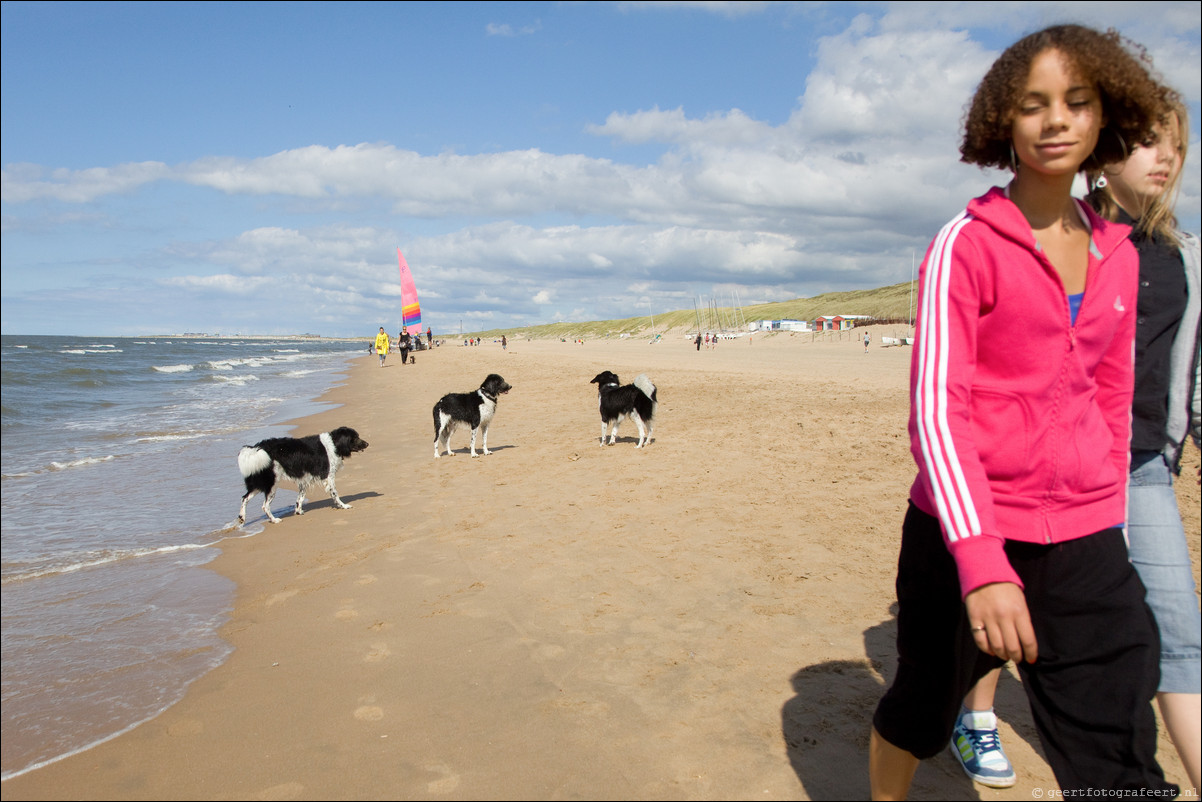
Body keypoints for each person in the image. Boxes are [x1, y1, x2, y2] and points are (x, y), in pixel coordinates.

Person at [869, 25, 1178, 799]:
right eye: (1034, 105)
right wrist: (980, 562)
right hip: (960, 534)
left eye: (1078, 102)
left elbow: (1111, 398)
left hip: (1083, 540)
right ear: (1002, 121)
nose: (1057, 121)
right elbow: (937, 414)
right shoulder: (964, 245)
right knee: (919, 711)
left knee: (1117, 737)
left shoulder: (1122, 253)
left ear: (1106, 115)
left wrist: (1105, 517)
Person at [950, 99, 1202, 794]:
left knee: (1172, 636)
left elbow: (1180, 364)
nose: (1165, 158)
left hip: (1141, 466)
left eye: (1176, 145)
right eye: (1148, 143)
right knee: (1011, 615)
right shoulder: (1063, 239)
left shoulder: (1183, 256)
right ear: (1107, 151)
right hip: (1037, 471)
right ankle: (976, 715)